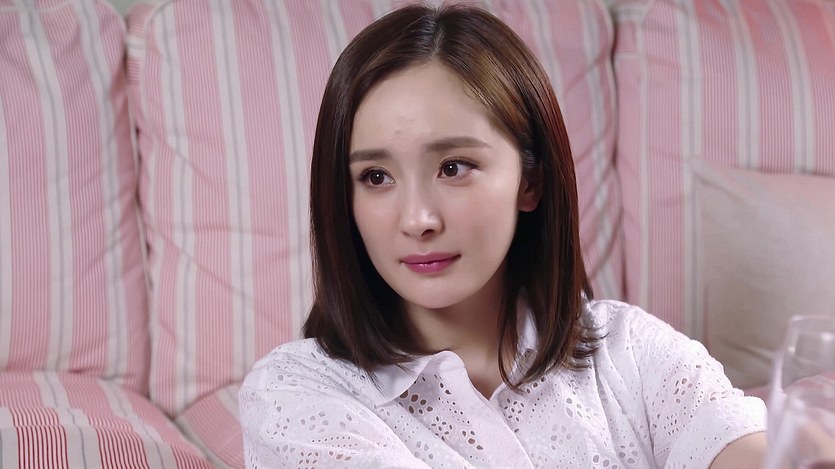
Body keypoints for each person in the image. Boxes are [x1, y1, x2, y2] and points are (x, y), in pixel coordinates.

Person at [239, 3, 767, 467]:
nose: (418, 219)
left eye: (454, 167)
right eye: (376, 177)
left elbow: (752, 449)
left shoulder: (630, 349)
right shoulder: (295, 394)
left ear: (529, 182)